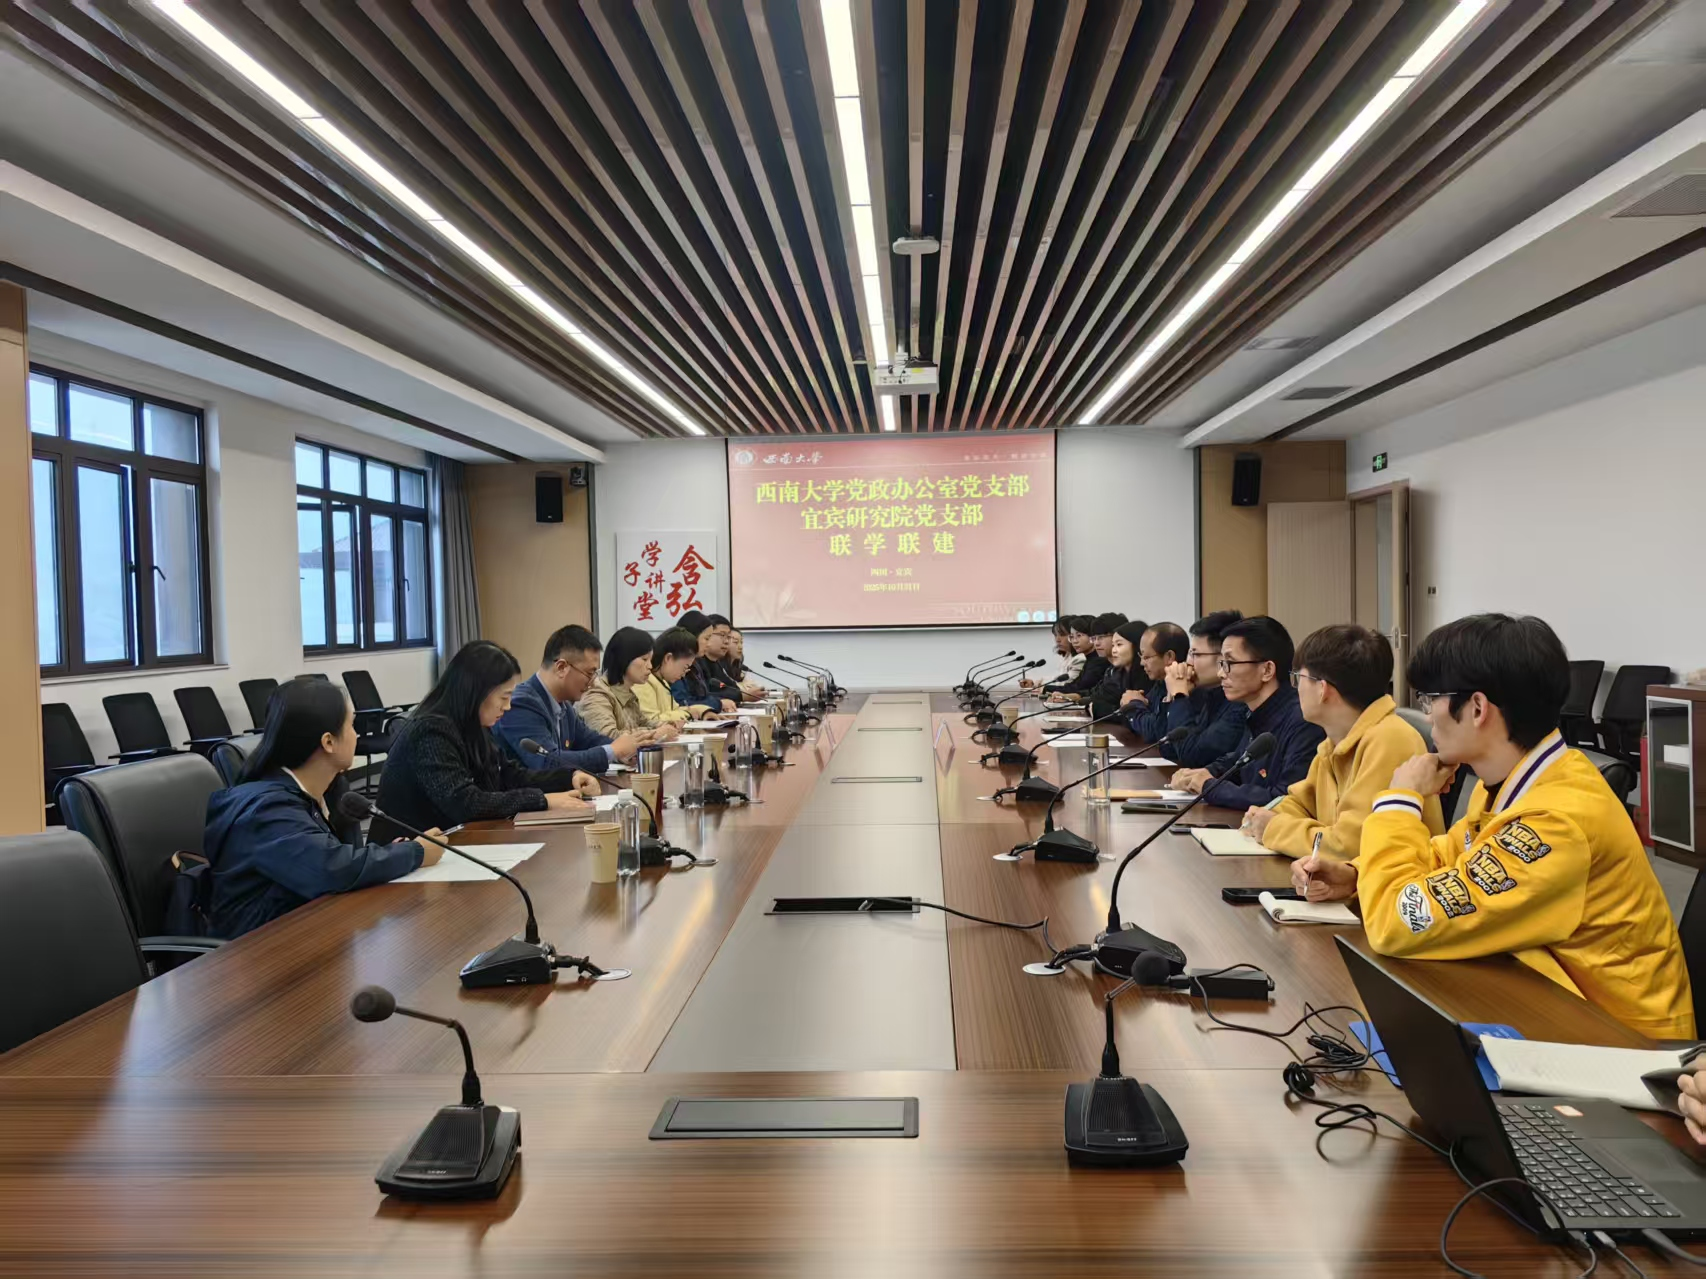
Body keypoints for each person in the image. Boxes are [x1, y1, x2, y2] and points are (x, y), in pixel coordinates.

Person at [1292, 614, 1693, 1040]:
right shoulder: (1513, 780)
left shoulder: (1556, 821)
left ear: (1478, 708)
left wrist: (1399, 799)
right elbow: (1450, 859)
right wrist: (1355, 875)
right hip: (1543, 1003)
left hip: (1620, 1042)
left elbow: (1398, 924)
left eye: (1430, 700)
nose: (1428, 716)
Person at [203, 677, 436, 939]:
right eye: (351, 725)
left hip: (310, 929)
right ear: (328, 742)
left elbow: (338, 860)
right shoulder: (266, 811)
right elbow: (330, 868)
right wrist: (414, 853)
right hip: (258, 950)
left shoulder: (330, 790)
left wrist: (389, 854)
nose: (356, 735)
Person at [1241, 624, 1443, 859]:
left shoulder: (1389, 739)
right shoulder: (1335, 740)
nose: (1296, 689)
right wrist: (1266, 815)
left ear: (1322, 689)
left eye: (1298, 678)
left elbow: (1350, 846)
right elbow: (1302, 803)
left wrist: (1273, 828)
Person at [375, 640, 596, 840]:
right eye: (504, 697)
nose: (507, 706)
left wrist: (568, 777)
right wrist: (543, 800)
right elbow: (464, 803)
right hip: (405, 857)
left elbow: (509, 776)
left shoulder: (474, 726)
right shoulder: (430, 731)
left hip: (454, 844)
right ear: (477, 692)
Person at [1174, 616, 1323, 809]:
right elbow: (1240, 762)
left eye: (1230, 663)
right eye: (1221, 663)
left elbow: (1284, 799)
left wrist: (1209, 787)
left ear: (1267, 670)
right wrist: (1203, 773)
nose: (1221, 674)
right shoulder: (1256, 711)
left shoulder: (1303, 721)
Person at [495, 626, 644, 773]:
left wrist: (625, 751)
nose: (593, 682)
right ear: (561, 667)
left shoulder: (564, 705)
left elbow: (589, 740)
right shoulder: (521, 703)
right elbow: (547, 762)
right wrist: (613, 750)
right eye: (589, 673)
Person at [1158, 610, 1248, 765]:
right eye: (1189, 653)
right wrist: (1172, 696)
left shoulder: (1240, 703)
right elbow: (1167, 748)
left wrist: (1179, 696)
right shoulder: (1207, 693)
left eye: (1196, 654)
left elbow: (1193, 755)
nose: (1188, 663)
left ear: (1224, 657)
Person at [579, 626, 683, 739]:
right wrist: (655, 733)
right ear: (624, 658)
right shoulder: (597, 696)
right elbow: (607, 737)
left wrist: (665, 725)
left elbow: (642, 723)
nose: (650, 666)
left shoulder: (627, 692)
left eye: (650, 660)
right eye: (644, 659)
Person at [1122, 622, 1188, 741]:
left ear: (1169, 656)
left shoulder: (1185, 688)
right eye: (1141, 656)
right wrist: (1135, 706)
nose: (1142, 663)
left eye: (1146, 657)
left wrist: (1133, 706)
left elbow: (1155, 732)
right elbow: (1140, 724)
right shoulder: (1160, 683)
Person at [639, 627, 718, 724]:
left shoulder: (662, 682)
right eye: (685, 668)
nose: (684, 675)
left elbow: (675, 710)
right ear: (668, 658)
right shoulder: (644, 683)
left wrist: (703, 711)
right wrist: (688, 714)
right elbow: (651, 720)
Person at [1048, 613, 1123, 704]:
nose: (1096, 643)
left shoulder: (1100, 662)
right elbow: (1096, 691)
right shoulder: (1108, 667)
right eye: (1072, 637)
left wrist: (1080, 698)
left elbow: (1084, 687)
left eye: (1079, 636)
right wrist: (1077, 696)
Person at [673, 612, 741, 712]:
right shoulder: (675, 666)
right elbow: (681, 703)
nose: (708, 644)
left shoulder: (695, 666)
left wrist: (717, 703)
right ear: (692, 636)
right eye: (706, 638)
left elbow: (702, 696)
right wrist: (719, 703)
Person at [1091, 618, 1148, 721]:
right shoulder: (1120, 674)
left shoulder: (1147, 676)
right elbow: (1101, 698)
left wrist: (1095, 709)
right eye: (1113, 645)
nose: (1114, 650)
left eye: (1119, 645)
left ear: (1136, 646)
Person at [1024, 618, 1078, 690]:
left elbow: (1064, 684)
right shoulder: (1067, 655)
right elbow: (1057, 678)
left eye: (1062, 635)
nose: (1057, 640)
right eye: (1055, 635)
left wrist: (1041, 686)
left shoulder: (1078, 659)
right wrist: (1034, 683)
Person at [727, 629, 768, 700]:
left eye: (741, 642)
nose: (740, 647)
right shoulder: (719, 669)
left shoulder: (737, 668)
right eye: (735, 642)